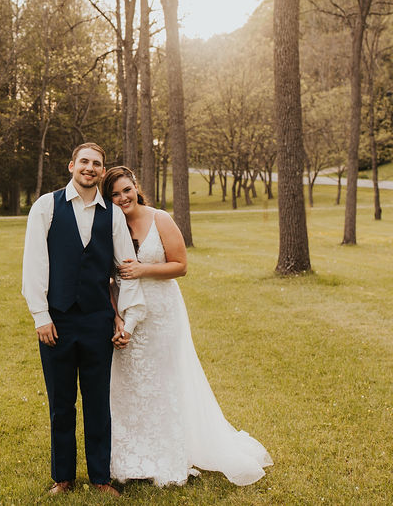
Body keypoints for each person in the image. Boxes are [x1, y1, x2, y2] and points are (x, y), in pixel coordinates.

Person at [103, 166, 273, 487]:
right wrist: (117, 316)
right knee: (131, 383)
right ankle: (135, 455)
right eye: (114, 194)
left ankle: (171, 452)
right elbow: (108, 275)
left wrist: (143, 269)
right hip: (127, 312)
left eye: (126, 189)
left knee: (166, 378)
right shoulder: (112, 226)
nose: (122, 197)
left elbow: (180, 266)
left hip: (163, 312)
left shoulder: (160, 219)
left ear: (136, 187)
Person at [21, 144, 145, 497]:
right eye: (85, 162)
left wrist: (127, 319)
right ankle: (63, 477)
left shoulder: (114, 215)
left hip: (96, 321)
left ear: (102, 172)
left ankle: (100, 478)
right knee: (61, 404)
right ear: (72, 165)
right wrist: (40, 316)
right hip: (56, 321)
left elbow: (126, 270)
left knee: (97, 403)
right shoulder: (46, 206)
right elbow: (34, 263)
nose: (90, 168)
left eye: (97, 164)